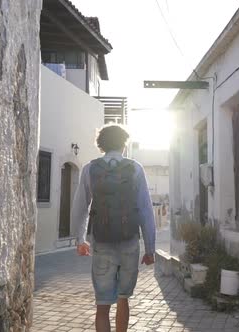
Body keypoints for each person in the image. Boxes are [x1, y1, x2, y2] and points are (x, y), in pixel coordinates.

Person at [70, 124, 156, 332]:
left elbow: (80, 207)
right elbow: (145, 210)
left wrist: (79, 240)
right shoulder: (135, 169)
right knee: (123, 299)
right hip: (129, 242)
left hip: (101, 242)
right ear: (123, 144)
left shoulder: (90, 169)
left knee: (102, 304)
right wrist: (150, 249)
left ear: (101, 145)